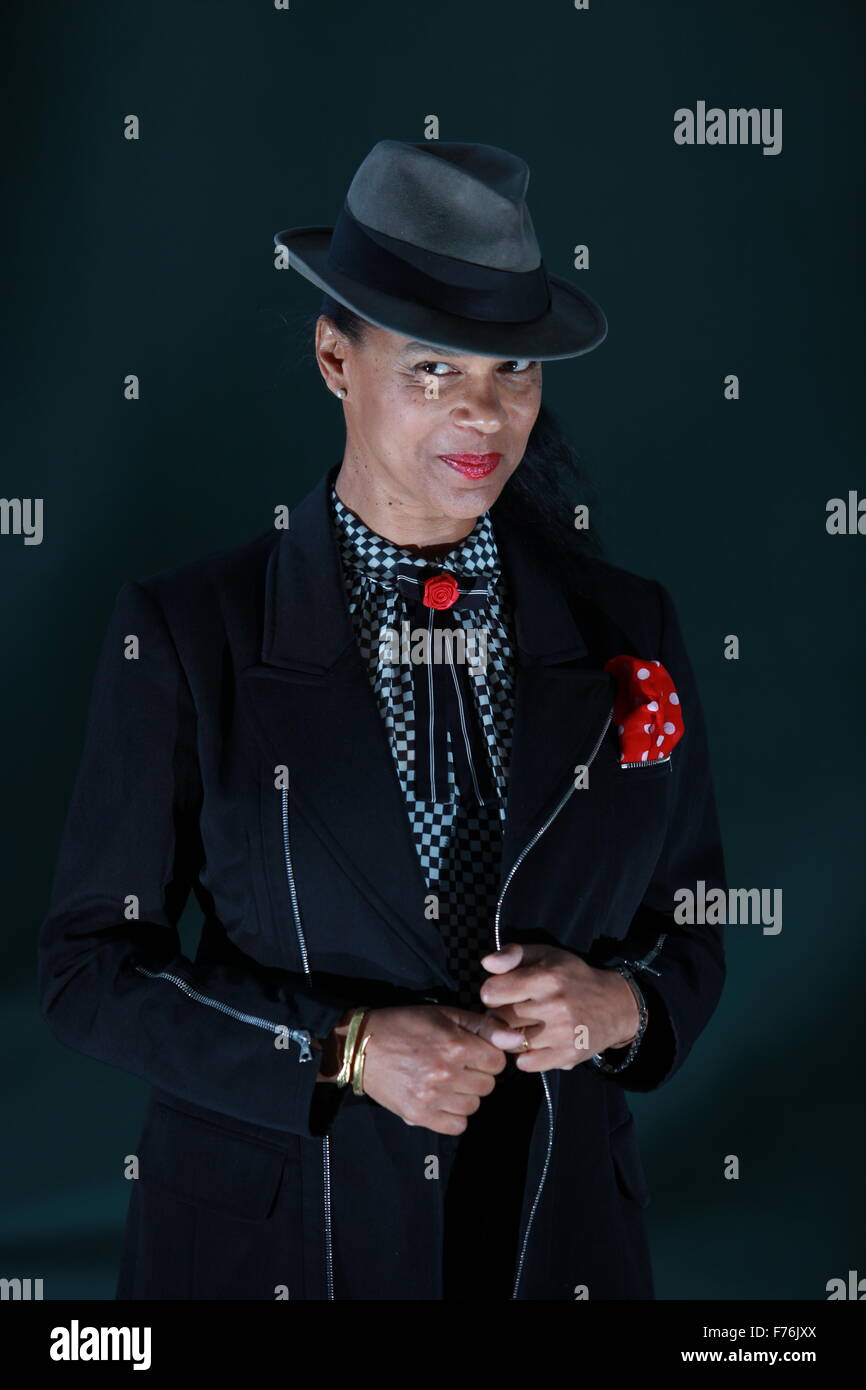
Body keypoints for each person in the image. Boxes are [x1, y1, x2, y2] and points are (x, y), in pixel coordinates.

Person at [38, 138, 727, 1301]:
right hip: (278, 1243)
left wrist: (620, 1004)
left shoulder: (628, 622)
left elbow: (691, 920)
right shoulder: (185, 631)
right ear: (331, 358)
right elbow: (89, 970)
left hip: (551, 1236)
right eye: (429, 369)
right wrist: (344, 1049)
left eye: (512, 369)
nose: (483, 413)